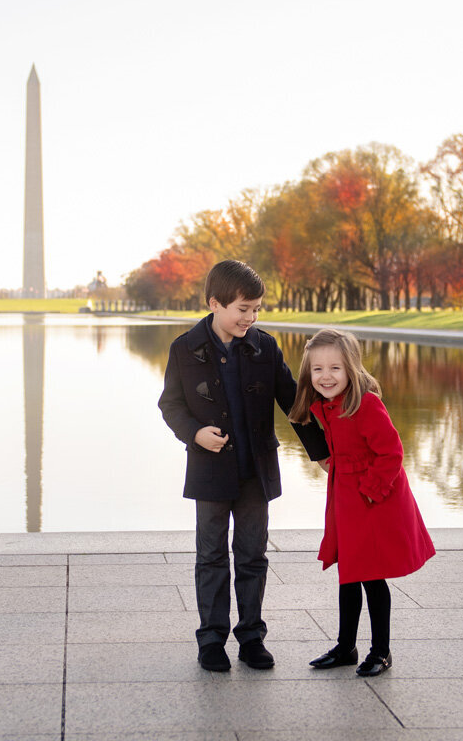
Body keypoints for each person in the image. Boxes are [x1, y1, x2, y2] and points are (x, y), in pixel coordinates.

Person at [158, 260, 330, 672]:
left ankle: (252, 637)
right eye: (243, 309)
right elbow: (170, 404)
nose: (250, 318)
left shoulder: (264, 346)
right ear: (215, 303)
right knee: (212, 556)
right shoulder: (184, 348)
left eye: (256, 309)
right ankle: (212, 640)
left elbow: (293, 402)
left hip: (256, 470)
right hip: (210, 470)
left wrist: (323, 452)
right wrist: (195, 433)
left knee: (252, 555)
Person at [288, 328, 434, 677]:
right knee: (348, 574)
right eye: (318, 369)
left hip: (373, 499)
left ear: (351, 368)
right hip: (345, 496)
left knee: (371, 577)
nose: (325, 376)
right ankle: (345, 647)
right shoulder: (322, 404)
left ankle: (381, 652)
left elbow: (392, 453)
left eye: (335, 368)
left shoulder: (366, 404)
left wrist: (369, 490)